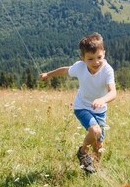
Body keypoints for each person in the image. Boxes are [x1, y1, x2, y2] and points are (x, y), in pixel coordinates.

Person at [40, 33, 116, 174]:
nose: (96, 62)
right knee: (95, 130)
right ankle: (82, 152)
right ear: (83, 59)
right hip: (82, 107)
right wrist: (48, 74)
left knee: (99, 144)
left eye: (99, 57)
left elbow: (113, 92)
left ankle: (95, 168)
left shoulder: (107, 70)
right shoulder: (79, 67)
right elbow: (64, 70)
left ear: (104, 54)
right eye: (90, 59)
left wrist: (102, 99)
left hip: (100, 110)